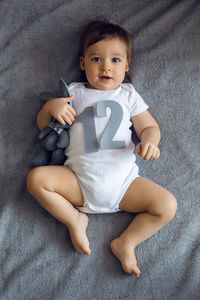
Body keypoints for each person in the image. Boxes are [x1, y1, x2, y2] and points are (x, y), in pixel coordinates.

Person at [26, 20, 177, 277]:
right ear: (83, 63)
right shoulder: (74, 93)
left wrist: (150, 141)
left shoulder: (128, 95)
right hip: (78, 181)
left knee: (167, 205)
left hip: (124, 185)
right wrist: (50, 109)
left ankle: (127, 242)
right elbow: (45, 126)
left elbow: (149, 127)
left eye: (116, 60)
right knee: (36, 179)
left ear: (127, 65)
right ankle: (74, 219)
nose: (106, 66)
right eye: (96, 59)